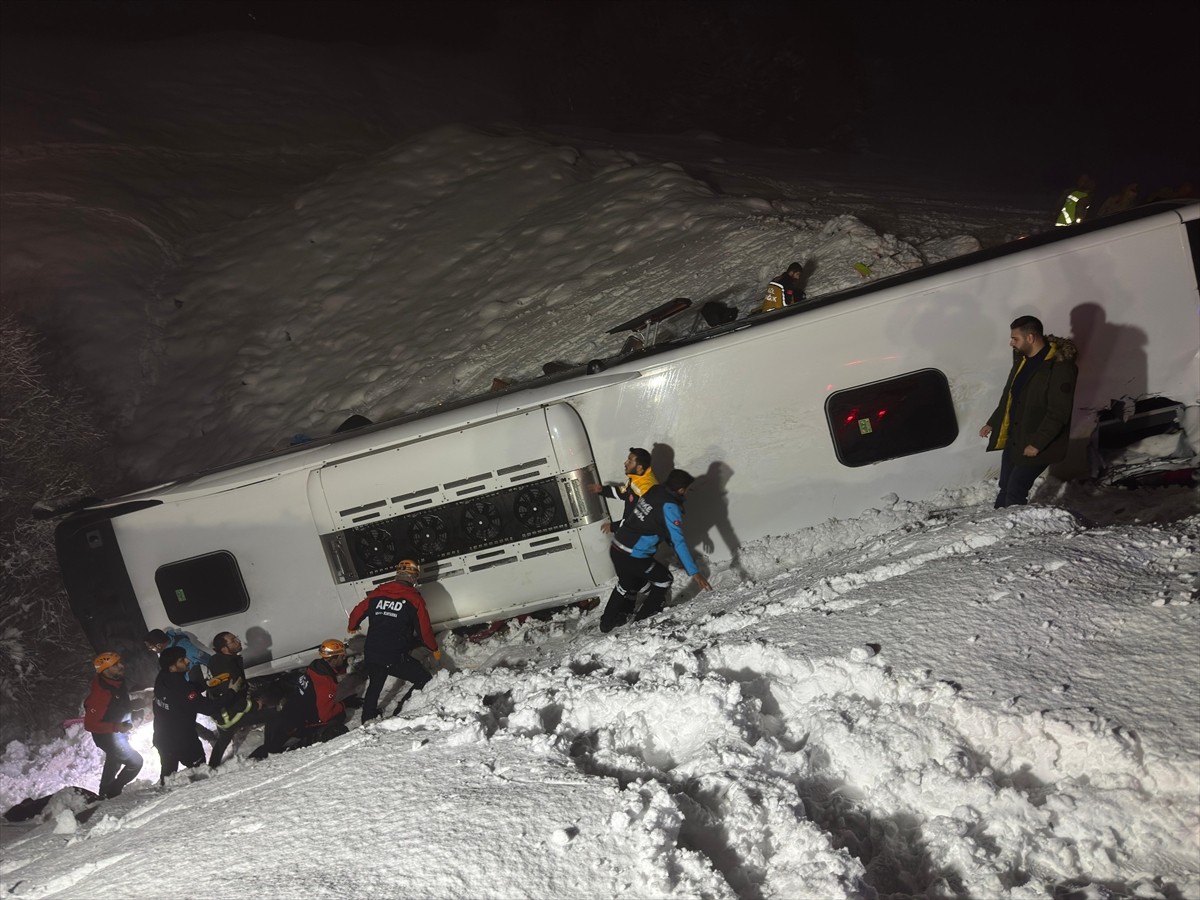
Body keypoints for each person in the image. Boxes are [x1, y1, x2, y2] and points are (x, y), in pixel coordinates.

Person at [980, 315, 1079, 508]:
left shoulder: (1060, 367)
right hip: (1015, 438)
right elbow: (1010, 398)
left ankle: (1014, 525)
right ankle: (997, 522)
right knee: (1005, 486)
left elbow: (1059, 412)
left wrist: (1037, 443)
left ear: (1031, 338)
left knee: (1015, 489)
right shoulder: (1022, 361)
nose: (1011, 343)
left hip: (1038, 443)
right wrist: (993, 422)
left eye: (1015, 338)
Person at [599, 468, 713, 632]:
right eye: (687, 490)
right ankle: (642, 619)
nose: (687, 493)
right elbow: (678, 541)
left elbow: (651, 520)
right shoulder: (671, 507)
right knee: (664, 579)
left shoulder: (655, 490)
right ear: (681, 490)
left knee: (626, 583)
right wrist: (694, 572)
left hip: (617, 546)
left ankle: (606, 623)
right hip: (633, 554)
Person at [347, 560, 440, 721]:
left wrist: (352, 625)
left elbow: (356, 612)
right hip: (393, 655)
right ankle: (404, 709)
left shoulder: (378, 593)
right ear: (413, 577)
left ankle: (367, 718)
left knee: (375, 684)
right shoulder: (414, 599)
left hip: (372, 651)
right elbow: (424, 630)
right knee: (424, 679)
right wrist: (433, 648)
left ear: (397, 575)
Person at [249, 640, 351, 758]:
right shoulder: (325, 683)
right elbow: (324, 716)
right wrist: (344, 704)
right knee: (338, 722)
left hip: (287, 715)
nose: (344, 658)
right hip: (297, 725)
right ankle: (299, 746)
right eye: (342, 656)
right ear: (333, 658)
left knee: (269, 747)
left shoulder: (315, 667)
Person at [153, 646, 221, 783]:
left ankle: (165, 791)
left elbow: (182, 693)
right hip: (183, 741)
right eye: (182, 660)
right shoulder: (179, 685)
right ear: (172, 667)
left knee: (168, 777)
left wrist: (204, 684)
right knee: (200, 771)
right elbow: (207, 707)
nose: (187, 661)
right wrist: (231, 694)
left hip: (163, 738)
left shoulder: (163, 677)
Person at [205, 632, 272, 768]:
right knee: (273, 715)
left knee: (224, 738)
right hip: (231, 714)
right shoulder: (228, 669)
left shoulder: (216, 660)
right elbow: (235, 702)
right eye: (233, 641)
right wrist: (255, 705)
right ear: (225, 649)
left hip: (221, 713)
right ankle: (270, 750)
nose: (238, 641)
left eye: (236, 638)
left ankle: (211, 767)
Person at [83, 652, 144, 799]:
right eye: (115, 665)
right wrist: (117, 727)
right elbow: (90, 724)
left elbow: (115, 706)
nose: (121, 666)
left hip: (117, 735)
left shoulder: (116, 683)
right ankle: (112, 793)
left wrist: (132, 706)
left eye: (119, 662)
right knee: (135, 762)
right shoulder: (101, 694)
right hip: (108, 738)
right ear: (105, 670)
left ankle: (104, 792)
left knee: (114, 760)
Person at [587, 447, 657, 534]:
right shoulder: (637, 478)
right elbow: (624, 493)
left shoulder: (645, 489)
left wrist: (613, 527)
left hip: (641, 537)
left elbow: (639, 520)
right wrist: (603, 490)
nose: (625, 463)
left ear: (639, 467)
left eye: (630, 461)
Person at [144, 628, 211, 686]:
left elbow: (205, 658)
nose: (150, 650)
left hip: (192, 683)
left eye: (150, 648)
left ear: (159, 645)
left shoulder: (184, 646)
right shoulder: (165, 651)